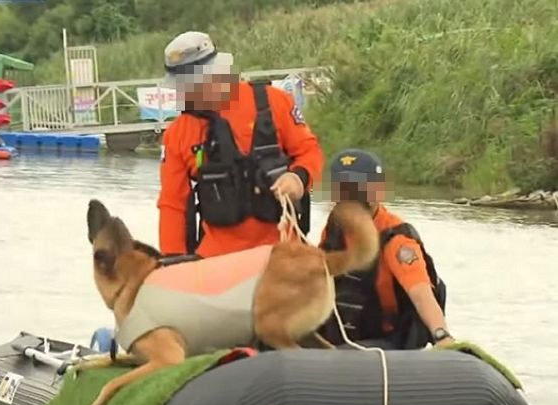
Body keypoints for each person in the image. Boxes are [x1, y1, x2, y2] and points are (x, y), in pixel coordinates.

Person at [157, 31, 324, 258]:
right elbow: (172, 205)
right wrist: (172, 261)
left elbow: (309, 151)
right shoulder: (177, 135)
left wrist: (298, 178)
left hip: (282, 251)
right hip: (217, 260)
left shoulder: (274, 102)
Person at [317, 148, 452, 349]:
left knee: (344, 355)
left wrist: (442, 336)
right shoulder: (334, 229)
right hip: (341, 333)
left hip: (385, 341)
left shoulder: (396, 239)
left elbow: (420, 293)